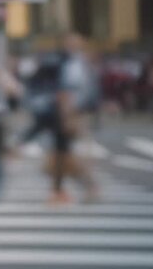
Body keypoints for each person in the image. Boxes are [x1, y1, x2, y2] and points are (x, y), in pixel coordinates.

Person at [23, 33, 96, 204]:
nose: (72, 45)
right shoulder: (70, 62)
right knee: (61, 153)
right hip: (64, 113)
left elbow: (67, 92)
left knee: (62, 154)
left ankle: (81, 187)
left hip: (68, 113)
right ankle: (62, 190)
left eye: (75, 41)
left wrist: (68, 117)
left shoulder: (74, 63)